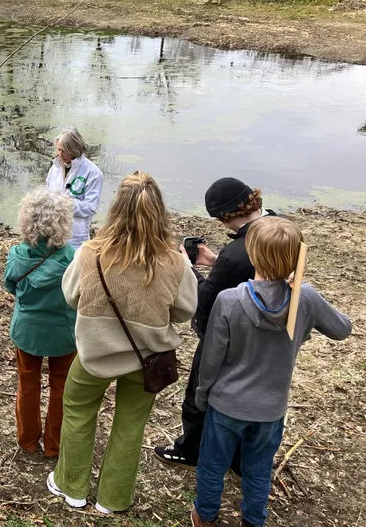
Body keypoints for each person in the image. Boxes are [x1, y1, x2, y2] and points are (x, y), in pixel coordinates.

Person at [46, 172, 197, 514]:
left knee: (78, 412)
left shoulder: (89, 253)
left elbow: (71, 296)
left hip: (95, 354)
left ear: (115, 210)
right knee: (130, 424)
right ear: (159, 212)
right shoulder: (174, 261)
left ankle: (71, 486)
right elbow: (186, 310)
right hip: (147, 360)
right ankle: (112, 499)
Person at [191, 216, 351, 527]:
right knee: (259, 467)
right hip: (271, 407)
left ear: (252, 254)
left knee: (212, 464)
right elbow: (343, 329)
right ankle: (253, 520)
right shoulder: (305, 297)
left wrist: (202, 395)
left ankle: (205, 516)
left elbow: (211, 359)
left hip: (226, 403)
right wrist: (305, 292)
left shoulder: (229, 300)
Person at [155, 178, 280, 471]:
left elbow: (206, 302)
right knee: (252, 396)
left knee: (199, 393)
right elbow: (247, 266)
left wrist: (190, 272)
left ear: (227, 215)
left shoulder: (238, 254)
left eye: (220, 219)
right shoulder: (280, 227)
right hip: (268, 333)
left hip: (230, 334)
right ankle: (241, 460)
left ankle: (191, 450)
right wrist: (217, 260)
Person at [4, 189, 77, 458]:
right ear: (64, 222)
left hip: (28, 331)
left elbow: (10, 285)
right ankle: (54, 446)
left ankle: (27, 441)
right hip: (63, 333)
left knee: (28, 384)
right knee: (61, 388)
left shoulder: (17, 255)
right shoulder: (72, 259)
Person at [45, 128, 103, 248]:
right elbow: (46, 195)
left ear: (74, 149)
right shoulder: (54, 168)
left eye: (64, 151)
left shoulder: (93, 173)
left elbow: (90, 208)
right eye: (59, 149)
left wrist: (64, 203)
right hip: (52, 233)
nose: (60, 154)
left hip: (76, 237)